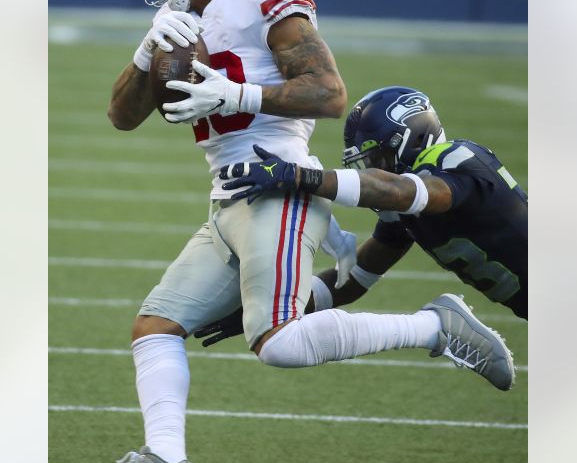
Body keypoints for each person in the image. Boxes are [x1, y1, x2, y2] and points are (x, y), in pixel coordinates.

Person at [73, 0, 514, 463]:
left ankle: (434, 327)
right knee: (157, 324)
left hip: (277, 185)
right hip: (230, 198)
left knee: (278, 343)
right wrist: (145, 49)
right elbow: (123, 117)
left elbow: (329, 93)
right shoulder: (184, 20)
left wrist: (238, 95)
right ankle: (164, 460)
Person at [196, 85, 527, 347]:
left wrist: (301, 177)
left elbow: (402, 191)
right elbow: (352, 281)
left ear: (411, 140)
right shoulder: (405, 213)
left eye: (377, 158)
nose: (372, 169)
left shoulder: (456, 159)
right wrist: (268, 310)